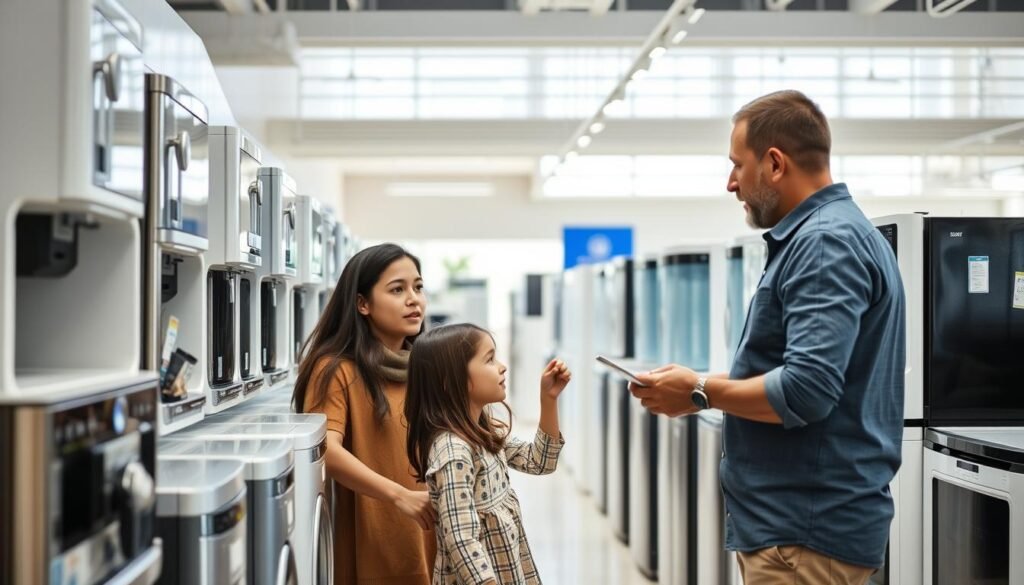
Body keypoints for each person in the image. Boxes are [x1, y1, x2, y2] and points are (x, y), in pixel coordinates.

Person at [630, 90, 905, 585]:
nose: (731, 183)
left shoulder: (825, 244)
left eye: (738, 165)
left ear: (775, 164)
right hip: (801, 530)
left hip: (804, 536)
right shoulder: (829, 235)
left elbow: (806, 390)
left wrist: (700, 391)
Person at [294, 243, 436, 585]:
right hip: (375, 545)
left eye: (417, 287)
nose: (413, 299)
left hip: (431, 535)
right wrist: (399, 495)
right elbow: (325, 449)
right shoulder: (336, 370)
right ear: (363, 304)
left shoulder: (426, 367)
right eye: (397, 289)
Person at [404, 324, 571, 585]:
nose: (502, 366)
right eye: (489, 359)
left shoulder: (482, 430)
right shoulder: (454, 451)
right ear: (451, 380)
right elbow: (461, 539)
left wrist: (548, 399)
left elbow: (540, 462)